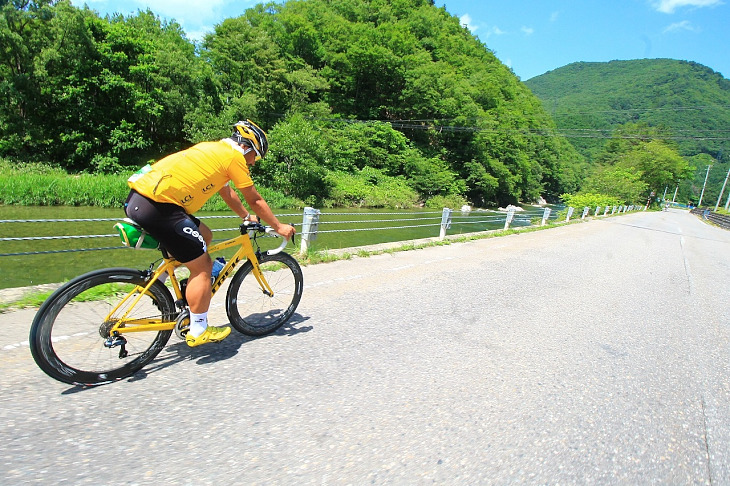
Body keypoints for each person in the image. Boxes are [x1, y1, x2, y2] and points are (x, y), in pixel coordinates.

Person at [124, 120, 296, 347]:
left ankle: (160, 282)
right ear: (246, 147)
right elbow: (254, 198)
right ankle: (198, 329)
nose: (253, 162)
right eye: (255, 156)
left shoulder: (214, 150)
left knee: (204, 235)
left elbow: (227, 193)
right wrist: (279, 226)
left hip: (141, 200)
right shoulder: (234, 158)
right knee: (203, 266)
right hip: (160, 206)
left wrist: (245, 217)